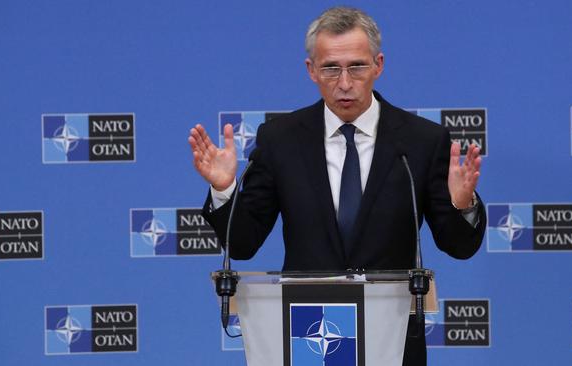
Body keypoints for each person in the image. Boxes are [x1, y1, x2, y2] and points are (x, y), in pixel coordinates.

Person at [188, 7, 485, 366]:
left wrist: (462, 203)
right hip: (308, 337)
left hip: (392, 342)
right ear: (311, 70)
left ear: (379, 65)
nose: (345, 83)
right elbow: (245, 243)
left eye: (357, 66)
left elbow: (459, 246)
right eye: (331, 68)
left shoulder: (422, 142)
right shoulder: (281, 140)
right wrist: (225, 190)